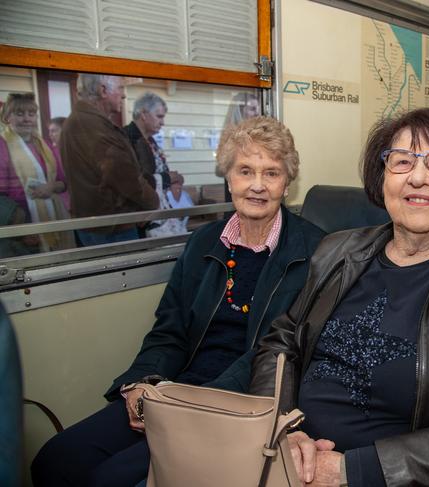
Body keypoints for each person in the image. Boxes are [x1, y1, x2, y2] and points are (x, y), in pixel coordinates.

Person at [249, 108, 429, 486]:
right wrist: (283, 429)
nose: (418, 178)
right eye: (402, 162)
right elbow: (282, 342)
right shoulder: (337, 251)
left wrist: (349, 471)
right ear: (382, 179)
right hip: (287, 457)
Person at [31, 116, 326, 487]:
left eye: (271, 173)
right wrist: (140, 382)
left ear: (287, 182)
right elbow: (169, 330)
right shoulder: (203, 242)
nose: (256, 186)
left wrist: (194, 404)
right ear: (228, 176)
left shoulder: (315, 252)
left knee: (107, 479)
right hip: (173, 387)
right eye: (245, 170)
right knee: (55, 460)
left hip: (241, 403)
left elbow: (285, 353)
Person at [60, 74, 159, 246]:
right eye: (120, 88)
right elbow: (126, 178)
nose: (124, 95)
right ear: (103, 90)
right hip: (111, 228)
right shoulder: (94, 128)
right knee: (127, 273)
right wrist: (153, 203)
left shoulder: (79, 121)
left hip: (97, 225)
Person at [0, 93, 74, 252]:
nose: (27, 119)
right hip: (20, 229)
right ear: (7, 117)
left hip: (52, 218)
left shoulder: (44, 145)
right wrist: (21, 230)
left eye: (31, 114)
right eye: (20, 114)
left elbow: (64, 182)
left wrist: (52, 186)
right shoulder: (2, 146)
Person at [124, 92, 184, 237]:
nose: (163, 122)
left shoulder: (150, 140)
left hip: (158, 211)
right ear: (143, 114)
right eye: (159, 116)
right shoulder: (127, 138)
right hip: (141, 217)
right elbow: (131, 179)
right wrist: (168, 178)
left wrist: (174, 180)